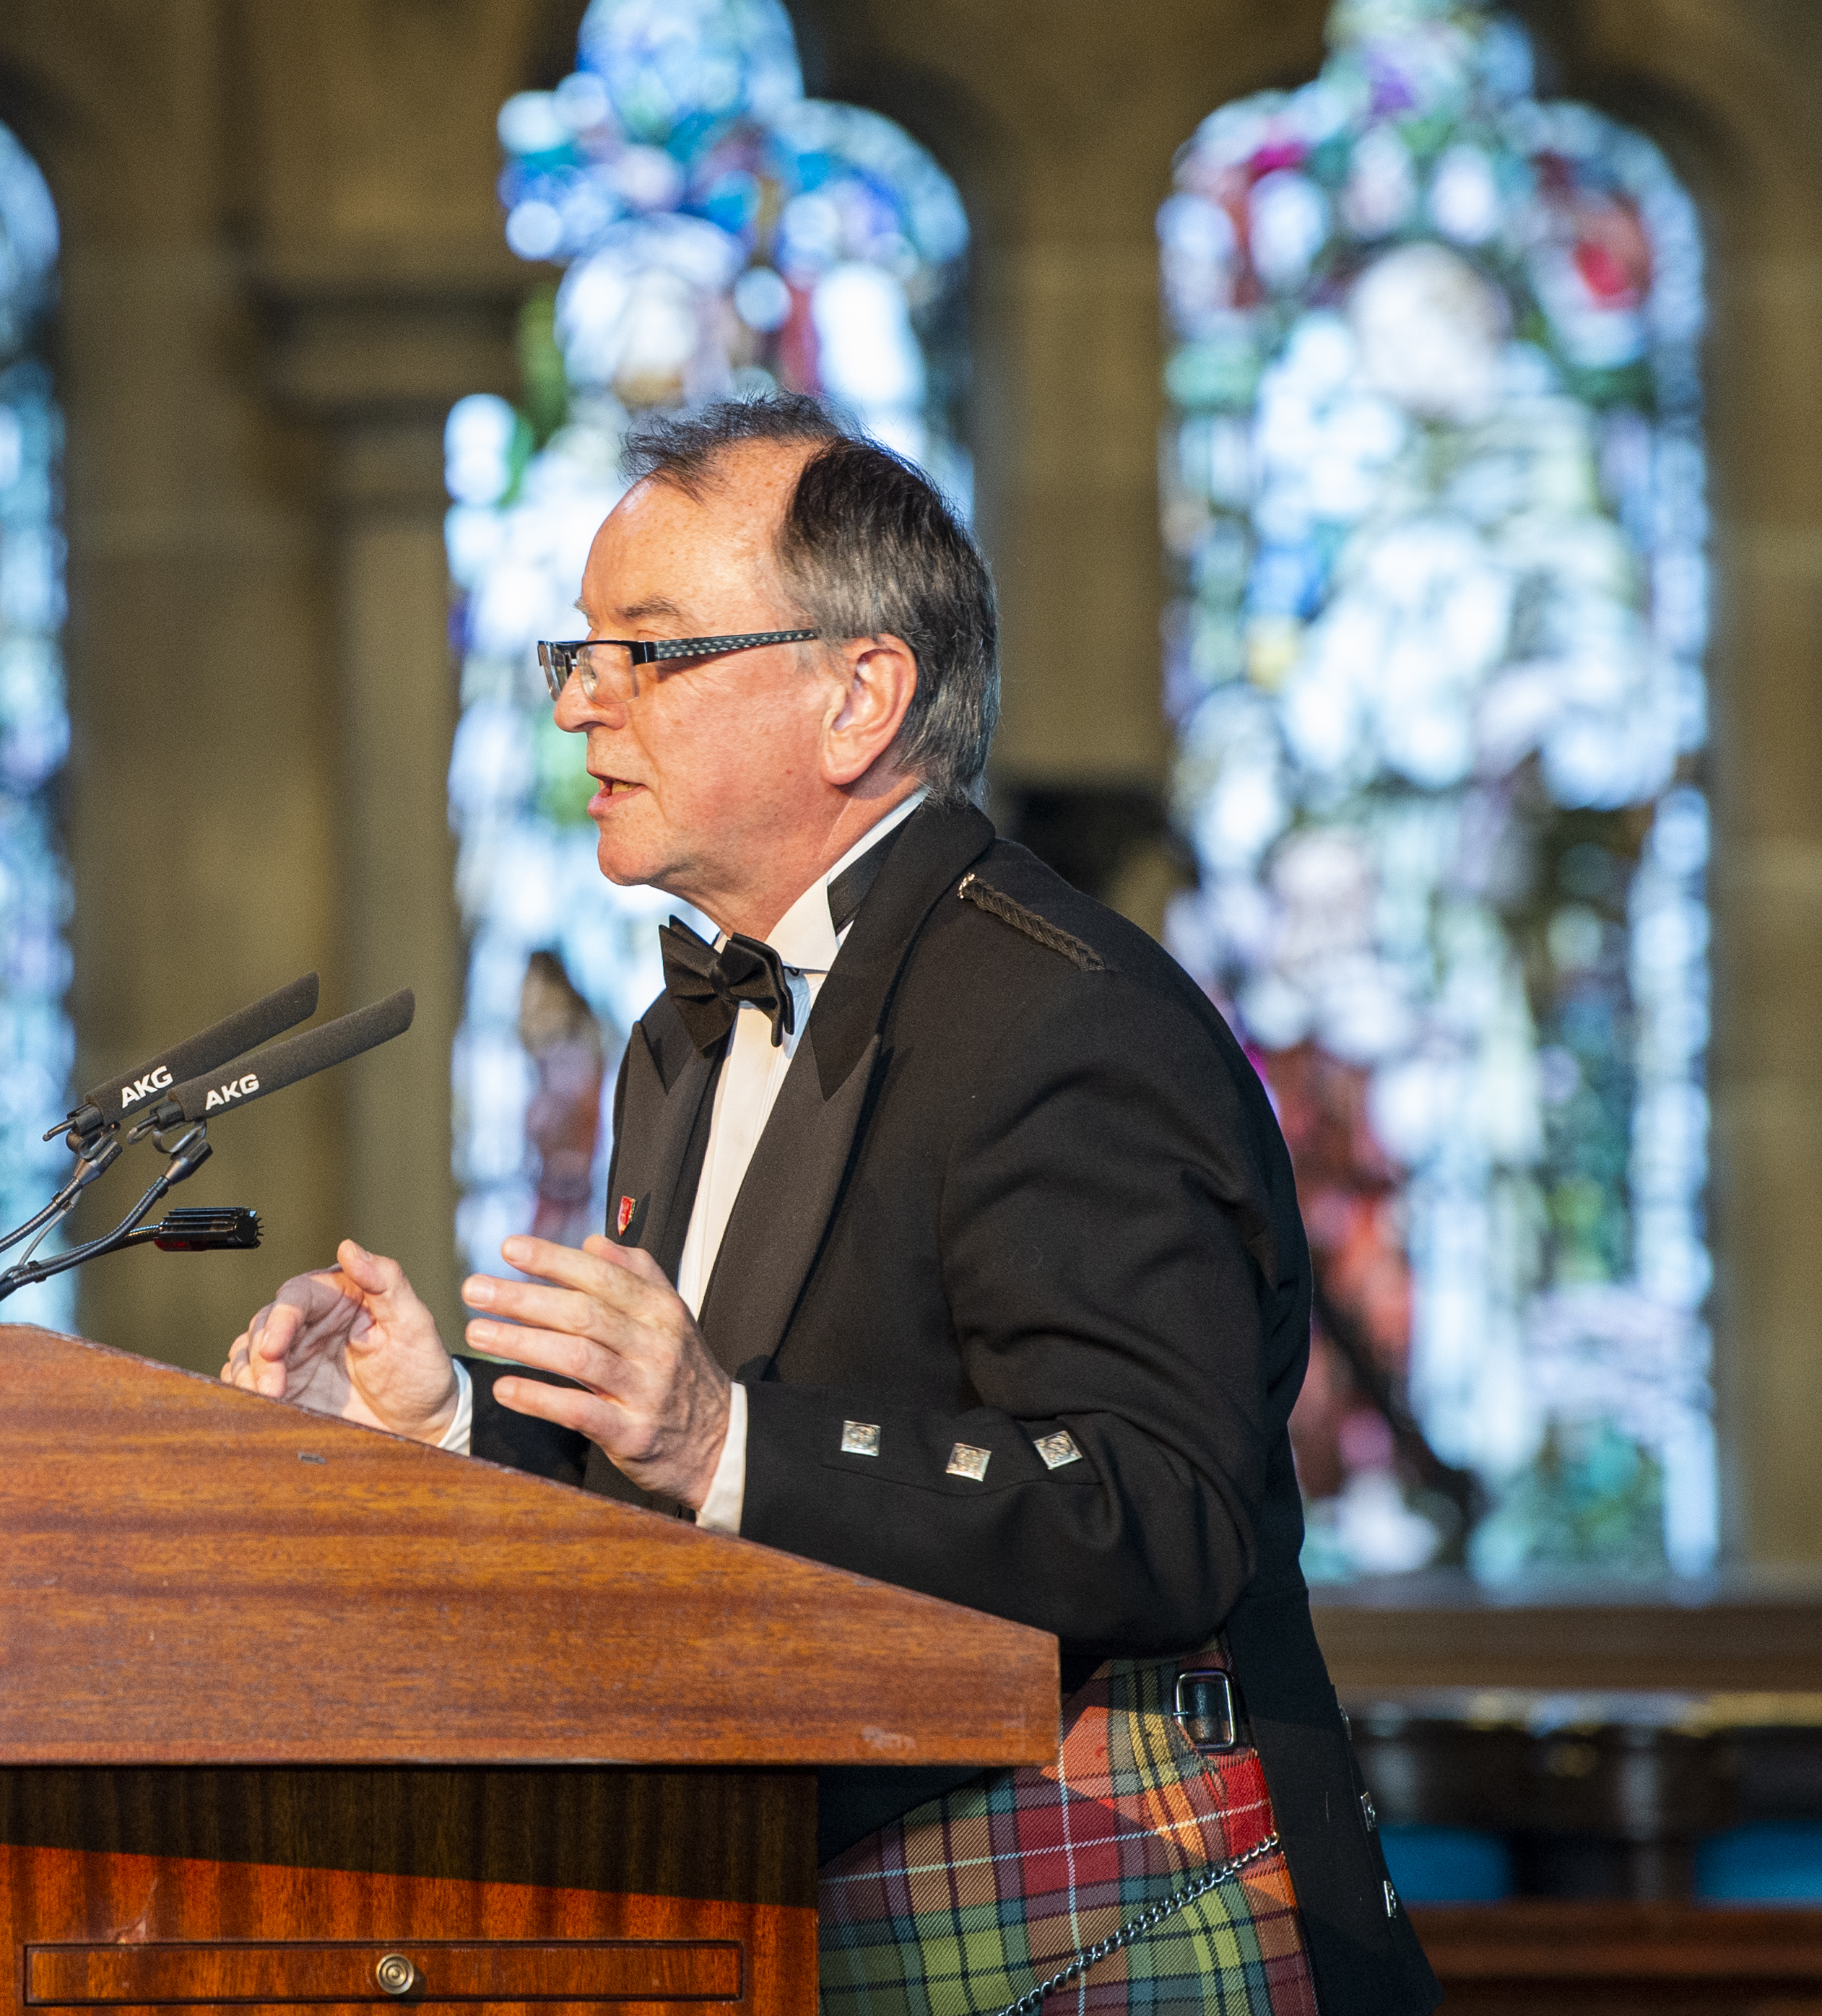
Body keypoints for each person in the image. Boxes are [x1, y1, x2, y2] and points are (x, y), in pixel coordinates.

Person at [219, 396, 1437, 2015]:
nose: (580, 702)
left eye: (645, 649)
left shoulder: (1067, 1019)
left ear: (858, 695)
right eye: (573, 650)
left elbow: (1162, 1511)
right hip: (785, 1899)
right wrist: (442, 1434)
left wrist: (723, 1438)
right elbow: (699, 1479)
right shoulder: (687, 1032)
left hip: (1075, 1909)